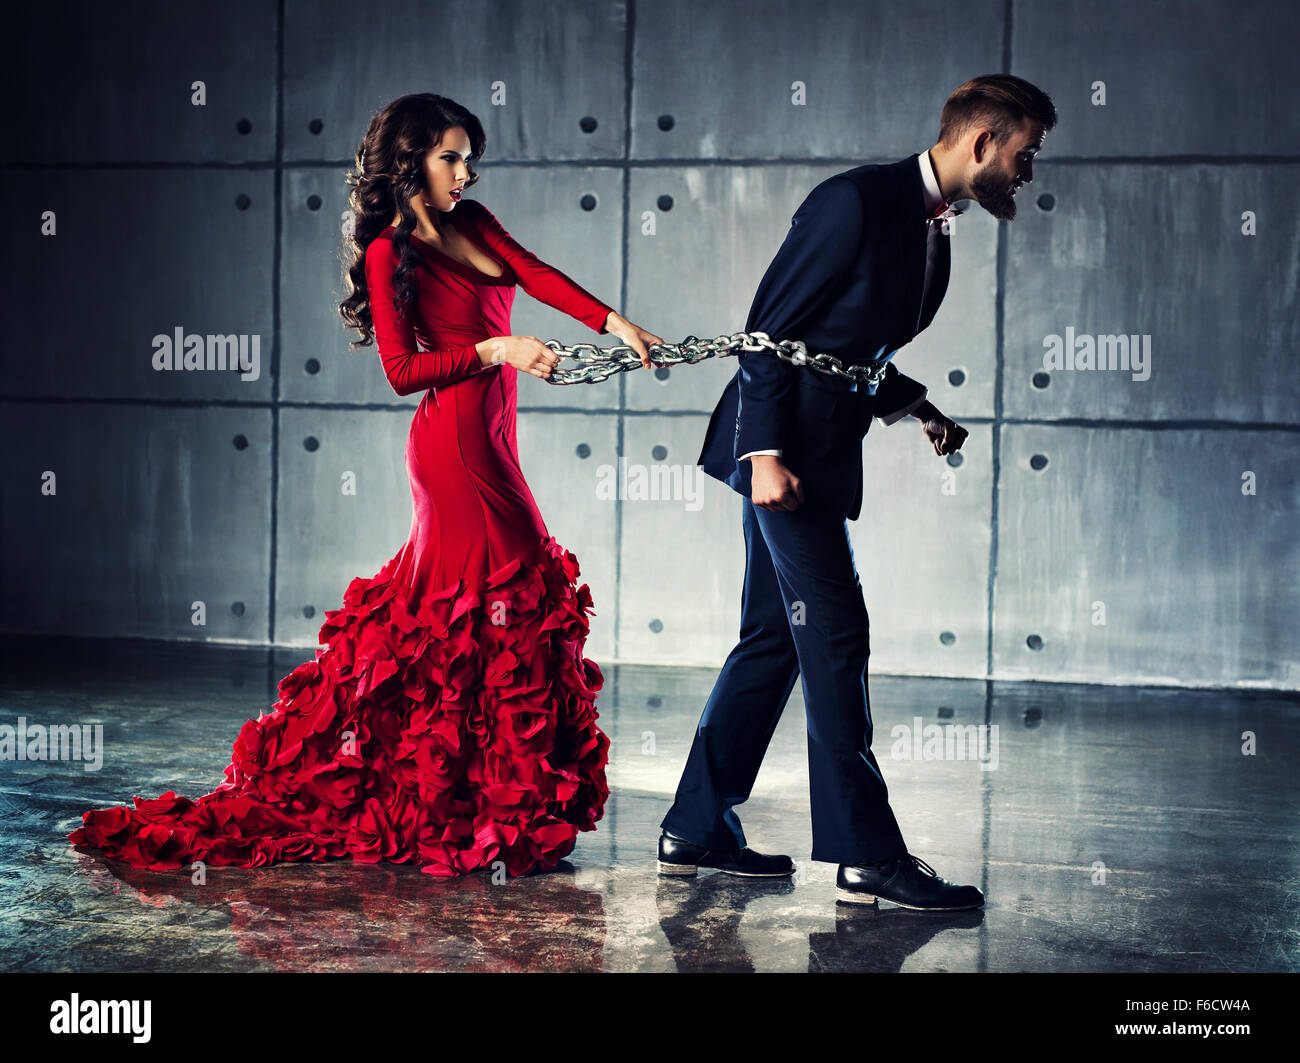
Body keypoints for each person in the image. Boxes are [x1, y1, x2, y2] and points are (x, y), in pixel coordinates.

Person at [68, 93, 663, 878]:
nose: (464, 170)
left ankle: (468, 796)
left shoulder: (477, 223)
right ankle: (472, 799)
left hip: (493, 436)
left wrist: (616, 323)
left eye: (466, 157)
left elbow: (539, 275)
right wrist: (496, 350)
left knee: (480, 610)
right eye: (450, 156)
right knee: (509, 593)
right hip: (450, 447)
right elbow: (400, 371)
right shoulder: (389, 252)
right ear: (411, 159)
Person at [659, 75, 1057, 910]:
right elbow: (767, 334)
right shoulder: (853, 200)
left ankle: (694, 826)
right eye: (1025, 154)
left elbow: (847, 344)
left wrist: (917, 405)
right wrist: (764, 453)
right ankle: (865, 853)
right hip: (785, 459)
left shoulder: (930, 226)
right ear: (983, 142)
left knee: (773, 638)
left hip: (817, 452)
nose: (1028, 172)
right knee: (836, 633)